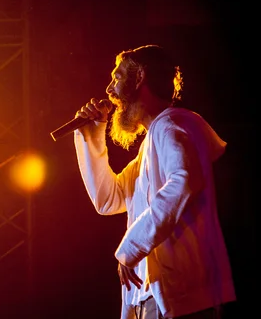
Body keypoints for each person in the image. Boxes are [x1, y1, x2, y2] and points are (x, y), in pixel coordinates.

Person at [72, 45, 236, 318]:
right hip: (149, 297)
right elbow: (108, 199)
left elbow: (183, 181)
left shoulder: (173, 124)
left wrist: (131, 246)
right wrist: (92, 134)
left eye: (118, 77)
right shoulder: (151, 143)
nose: (110, 90)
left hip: (178, 296)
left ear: (140, 78)